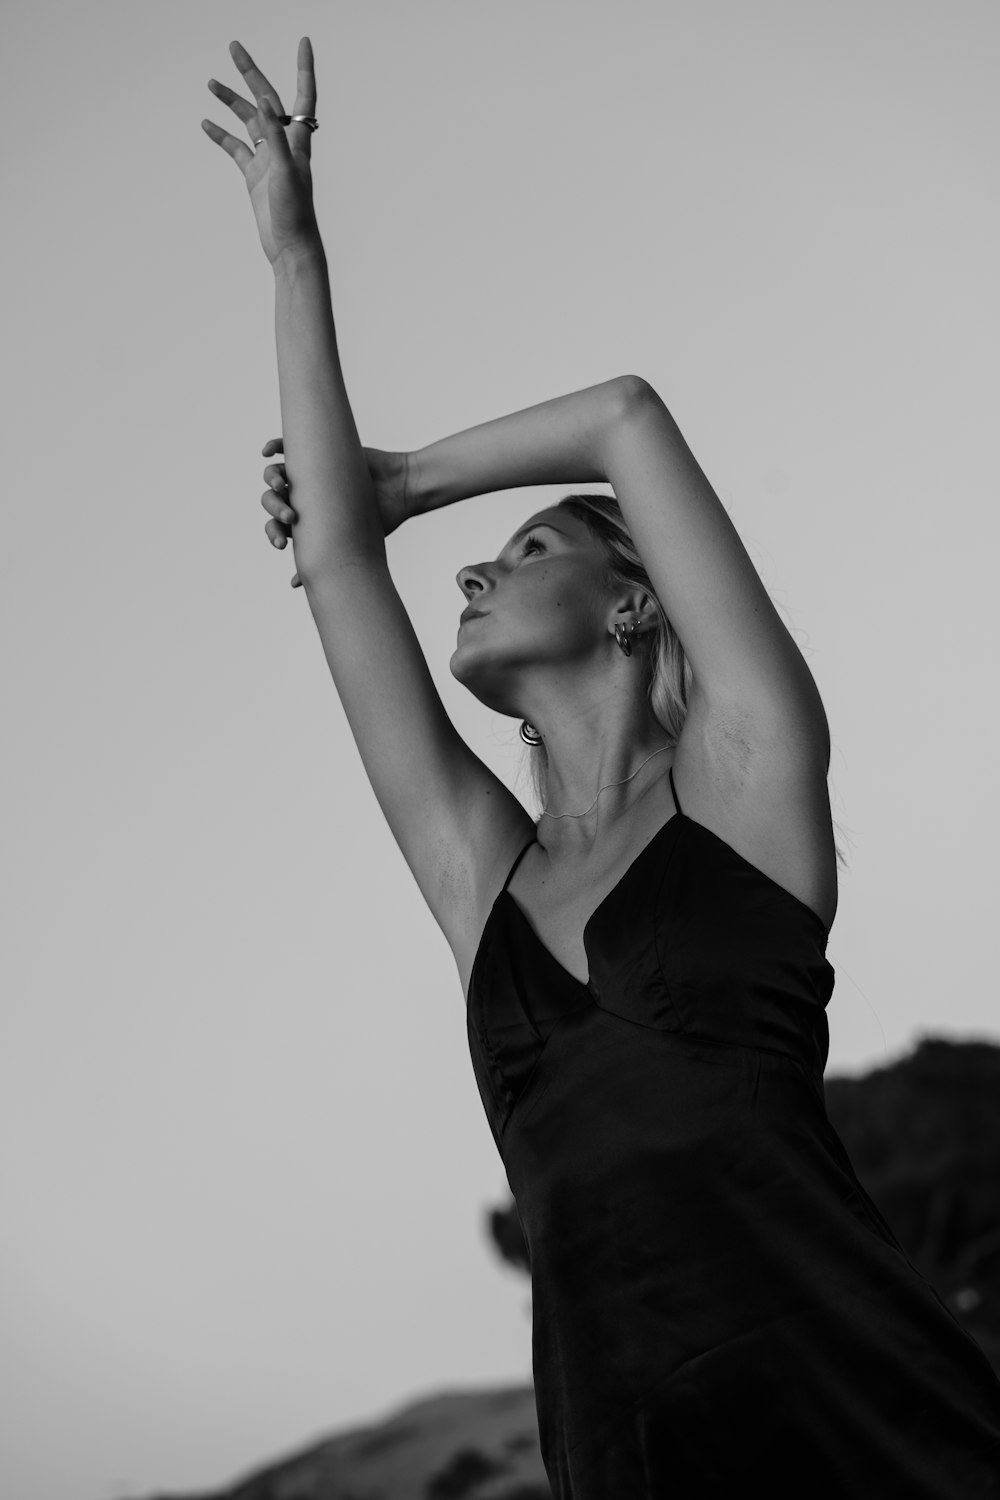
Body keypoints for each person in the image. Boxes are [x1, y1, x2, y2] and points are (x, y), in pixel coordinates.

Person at [203, 38, 1000, 1498]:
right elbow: (327, 561)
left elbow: (623, 414)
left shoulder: (749, 797)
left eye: (531, 550)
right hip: (630, 1465)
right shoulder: (480, 886)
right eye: (478, 559)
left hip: (882, 1438)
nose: (467, 578)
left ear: (636, 605)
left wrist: (401, 483)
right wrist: (294, 255)